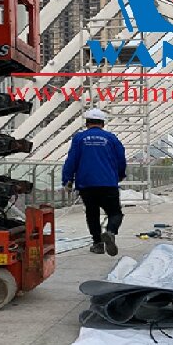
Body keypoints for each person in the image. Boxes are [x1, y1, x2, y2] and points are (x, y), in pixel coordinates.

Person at [62, 108, 127, 256]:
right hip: (108, 182)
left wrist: (67, 179)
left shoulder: (79, 138)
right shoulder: (111, 138)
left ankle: (97, 244)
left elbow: (71, 160)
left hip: (86, 183)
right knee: (115, 212)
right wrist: (120, 174)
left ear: (87, 123)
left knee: (92, 213)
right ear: (103, 123)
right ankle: (110, 232)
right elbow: (121, 158)